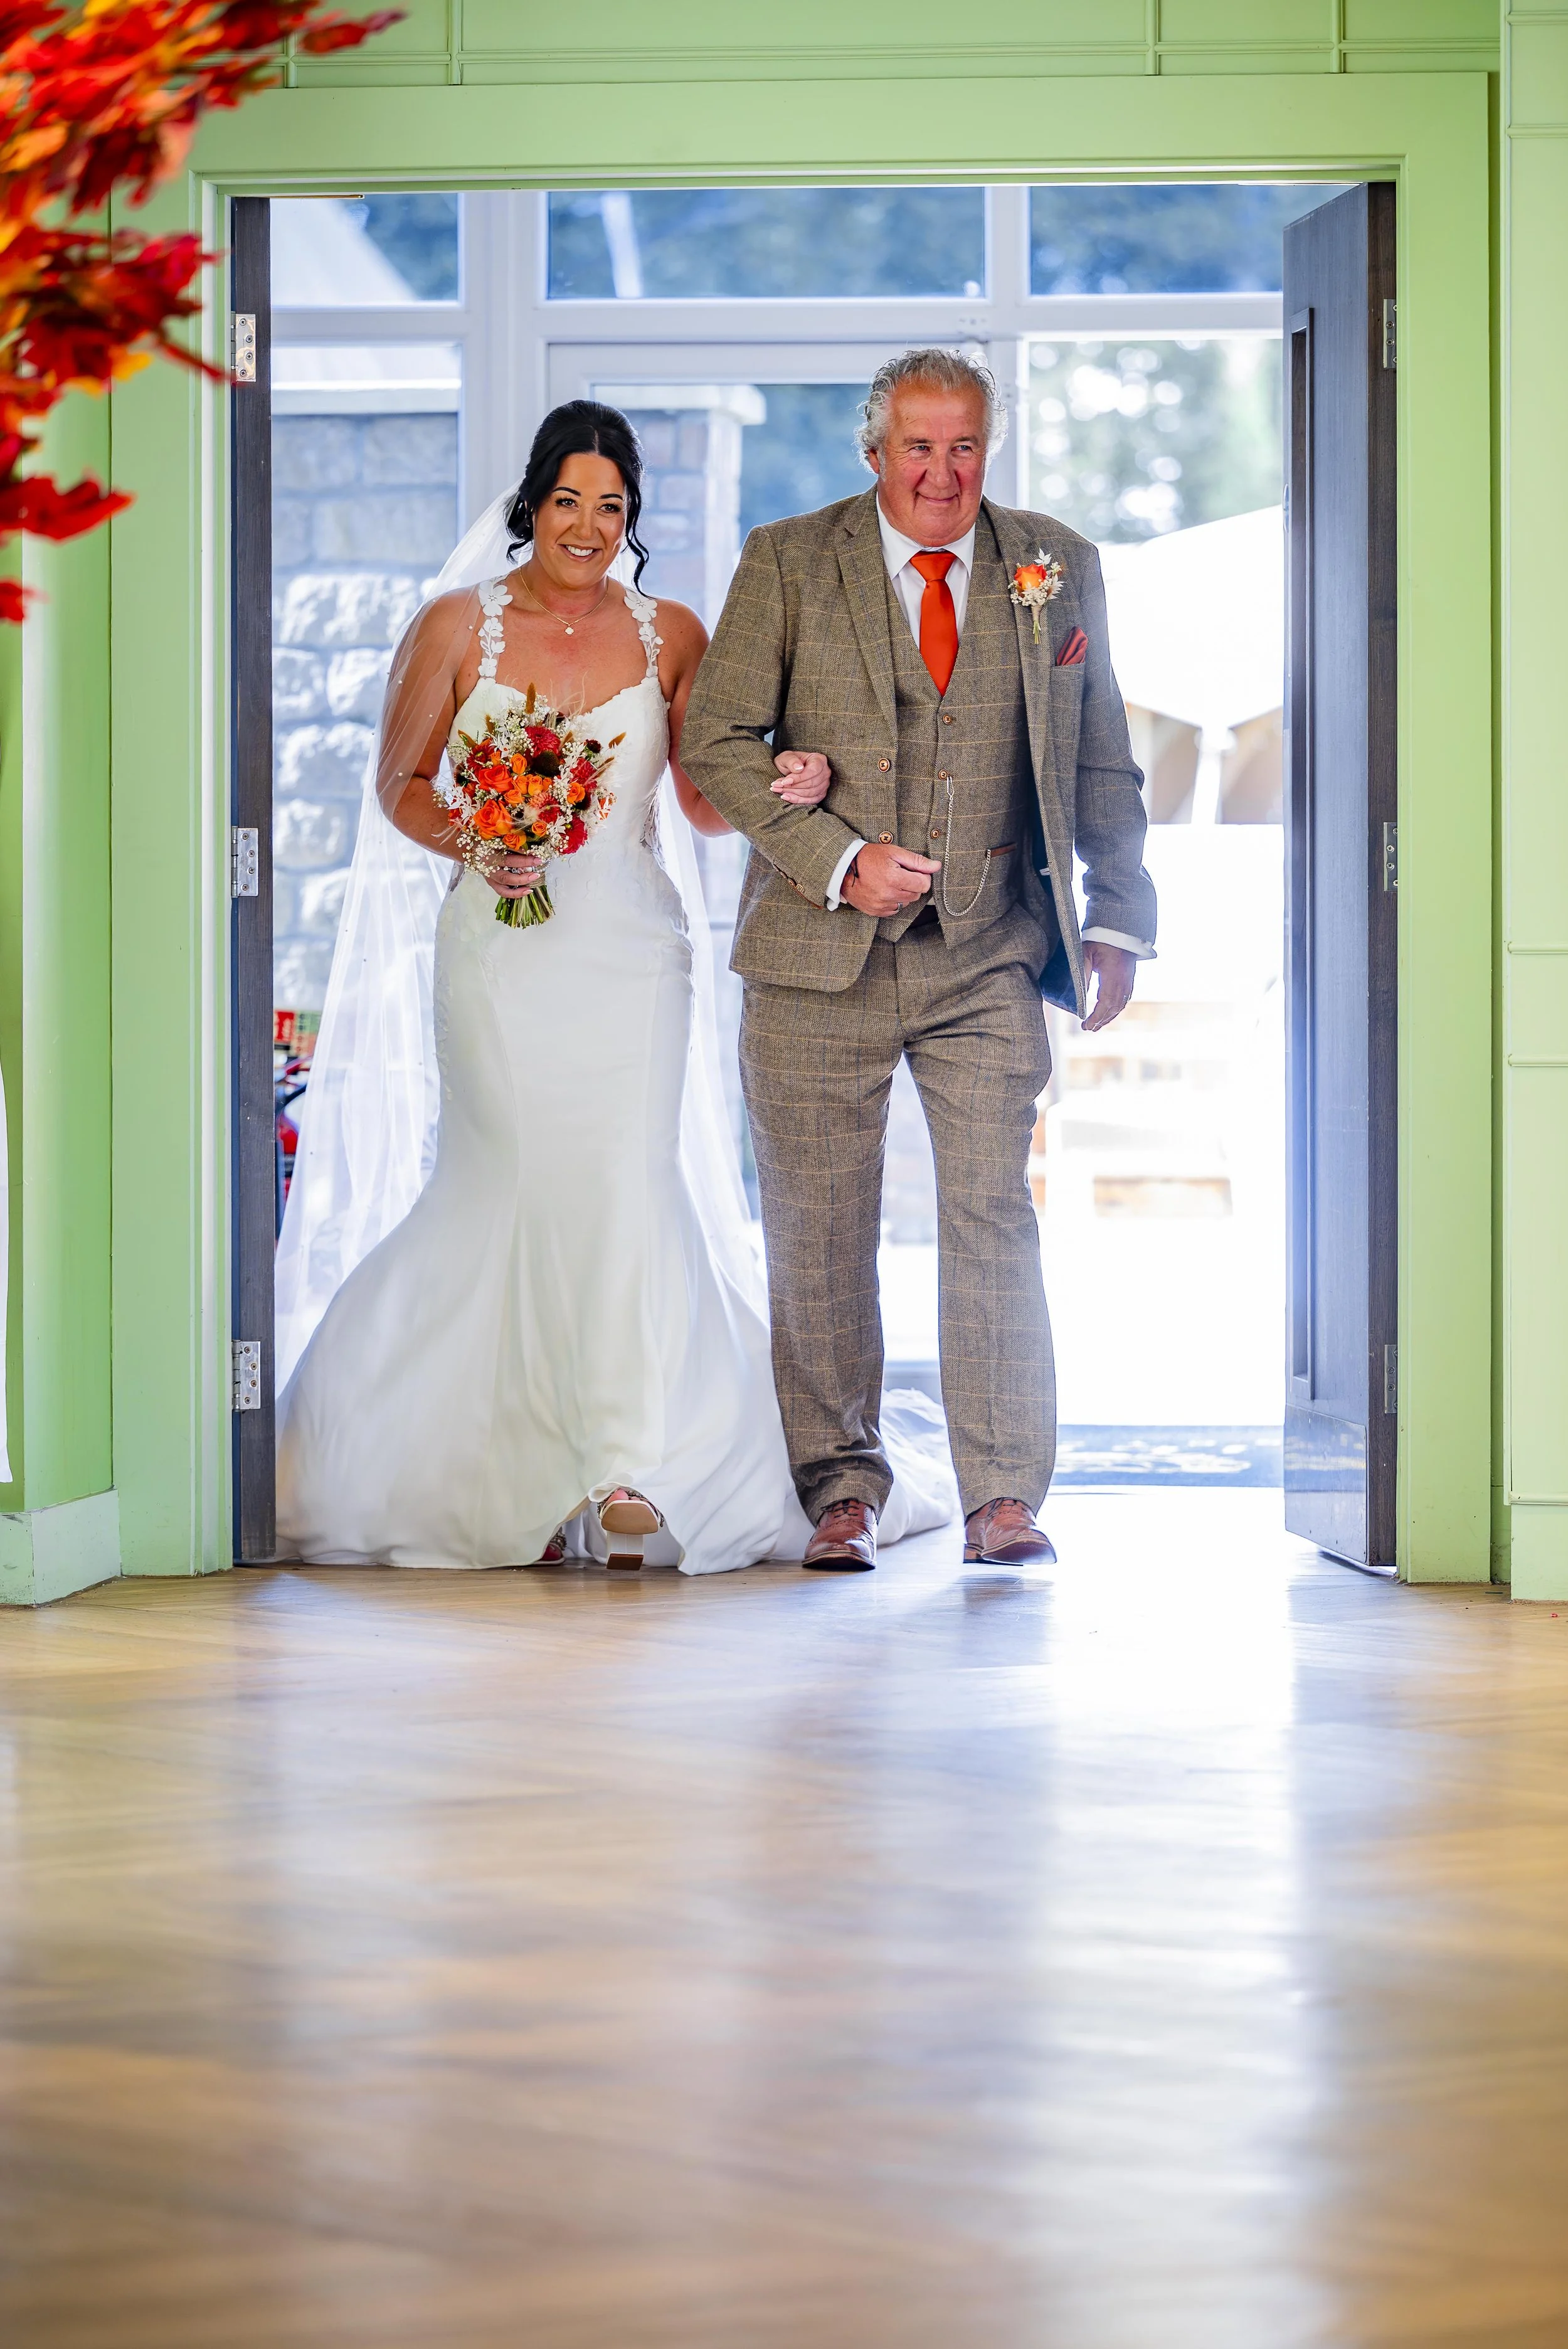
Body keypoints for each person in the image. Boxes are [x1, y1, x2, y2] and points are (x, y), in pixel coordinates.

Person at [273, 401, 955, 1572]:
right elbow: (399, 784)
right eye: (569, 501)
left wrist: (789, 780)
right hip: (497, 949)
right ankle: (509, 1466)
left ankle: (631, 1460)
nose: (588, 526)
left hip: (634, 954)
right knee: (508, 1180)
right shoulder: (454, 628)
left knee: (629, 1184)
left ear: (631, 521)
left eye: (612, 507)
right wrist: (483, 838)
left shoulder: (673, 633)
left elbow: (695, 800)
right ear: (530, 506)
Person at [681, 349, 1157, 1573]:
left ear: (985, 451)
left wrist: (1117, 919)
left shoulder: (1055, 565)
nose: (941, 472)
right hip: (811, 955)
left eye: (963, 447)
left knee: (990, 1210)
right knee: (817, 1224)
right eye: (916, 447)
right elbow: (718, 744)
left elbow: (1100, 760)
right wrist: (836, 858)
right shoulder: (787, 560)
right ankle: (839, 1488)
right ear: (872, 452)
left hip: (988, 946)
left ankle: (1003, 1493)